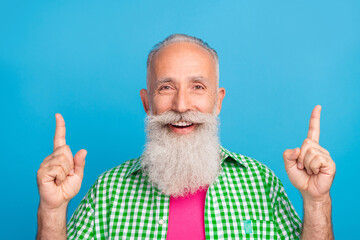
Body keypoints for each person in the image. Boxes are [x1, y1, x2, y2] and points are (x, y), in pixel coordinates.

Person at [36, 34, 336, 239]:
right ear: (146, 103)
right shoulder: (108, 192)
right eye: (166, 87)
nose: (181, 106)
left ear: (218, 101)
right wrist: (52, 210)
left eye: (197, 87)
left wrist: (316, 201)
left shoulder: (261, 183)